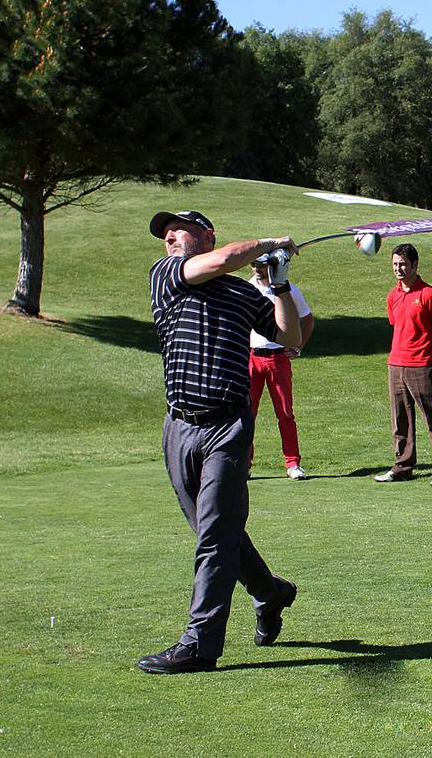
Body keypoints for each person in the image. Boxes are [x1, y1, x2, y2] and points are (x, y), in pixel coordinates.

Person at [139, 209, 303, 674]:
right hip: (179, 426)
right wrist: (271, 240)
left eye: (180, 229)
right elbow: (224, 259)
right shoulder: (167, 274)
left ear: (205, 235)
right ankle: (271, 593)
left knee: (214, 535)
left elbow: (290, 339)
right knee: (215, 531)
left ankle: (200, 644)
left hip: (228, 427)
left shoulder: (242, 291)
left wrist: (280, 283)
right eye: (165, 232)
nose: (169, 236)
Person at [373, 242, 432, 486]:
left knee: (431, 417)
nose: (398, 269)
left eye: (403, 264)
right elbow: (397, 327)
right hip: (395, 364)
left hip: (420, 364)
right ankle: (403, 466)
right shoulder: (393, 295)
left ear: (415, 265)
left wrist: (426, 351)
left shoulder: (429, 294)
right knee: (400, 419)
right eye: (395, 264)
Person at [247, 261, 316, 479]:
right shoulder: (248, 288)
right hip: (251, 358)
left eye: (262, 265)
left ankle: (293, 463)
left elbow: (308, 320)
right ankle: (244, 464)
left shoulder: (288, 290)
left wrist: (298, 347)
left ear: (273, 267)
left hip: (278, 357)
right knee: (247, 414)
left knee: (285, 413)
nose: (257, 269)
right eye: (254, 264)